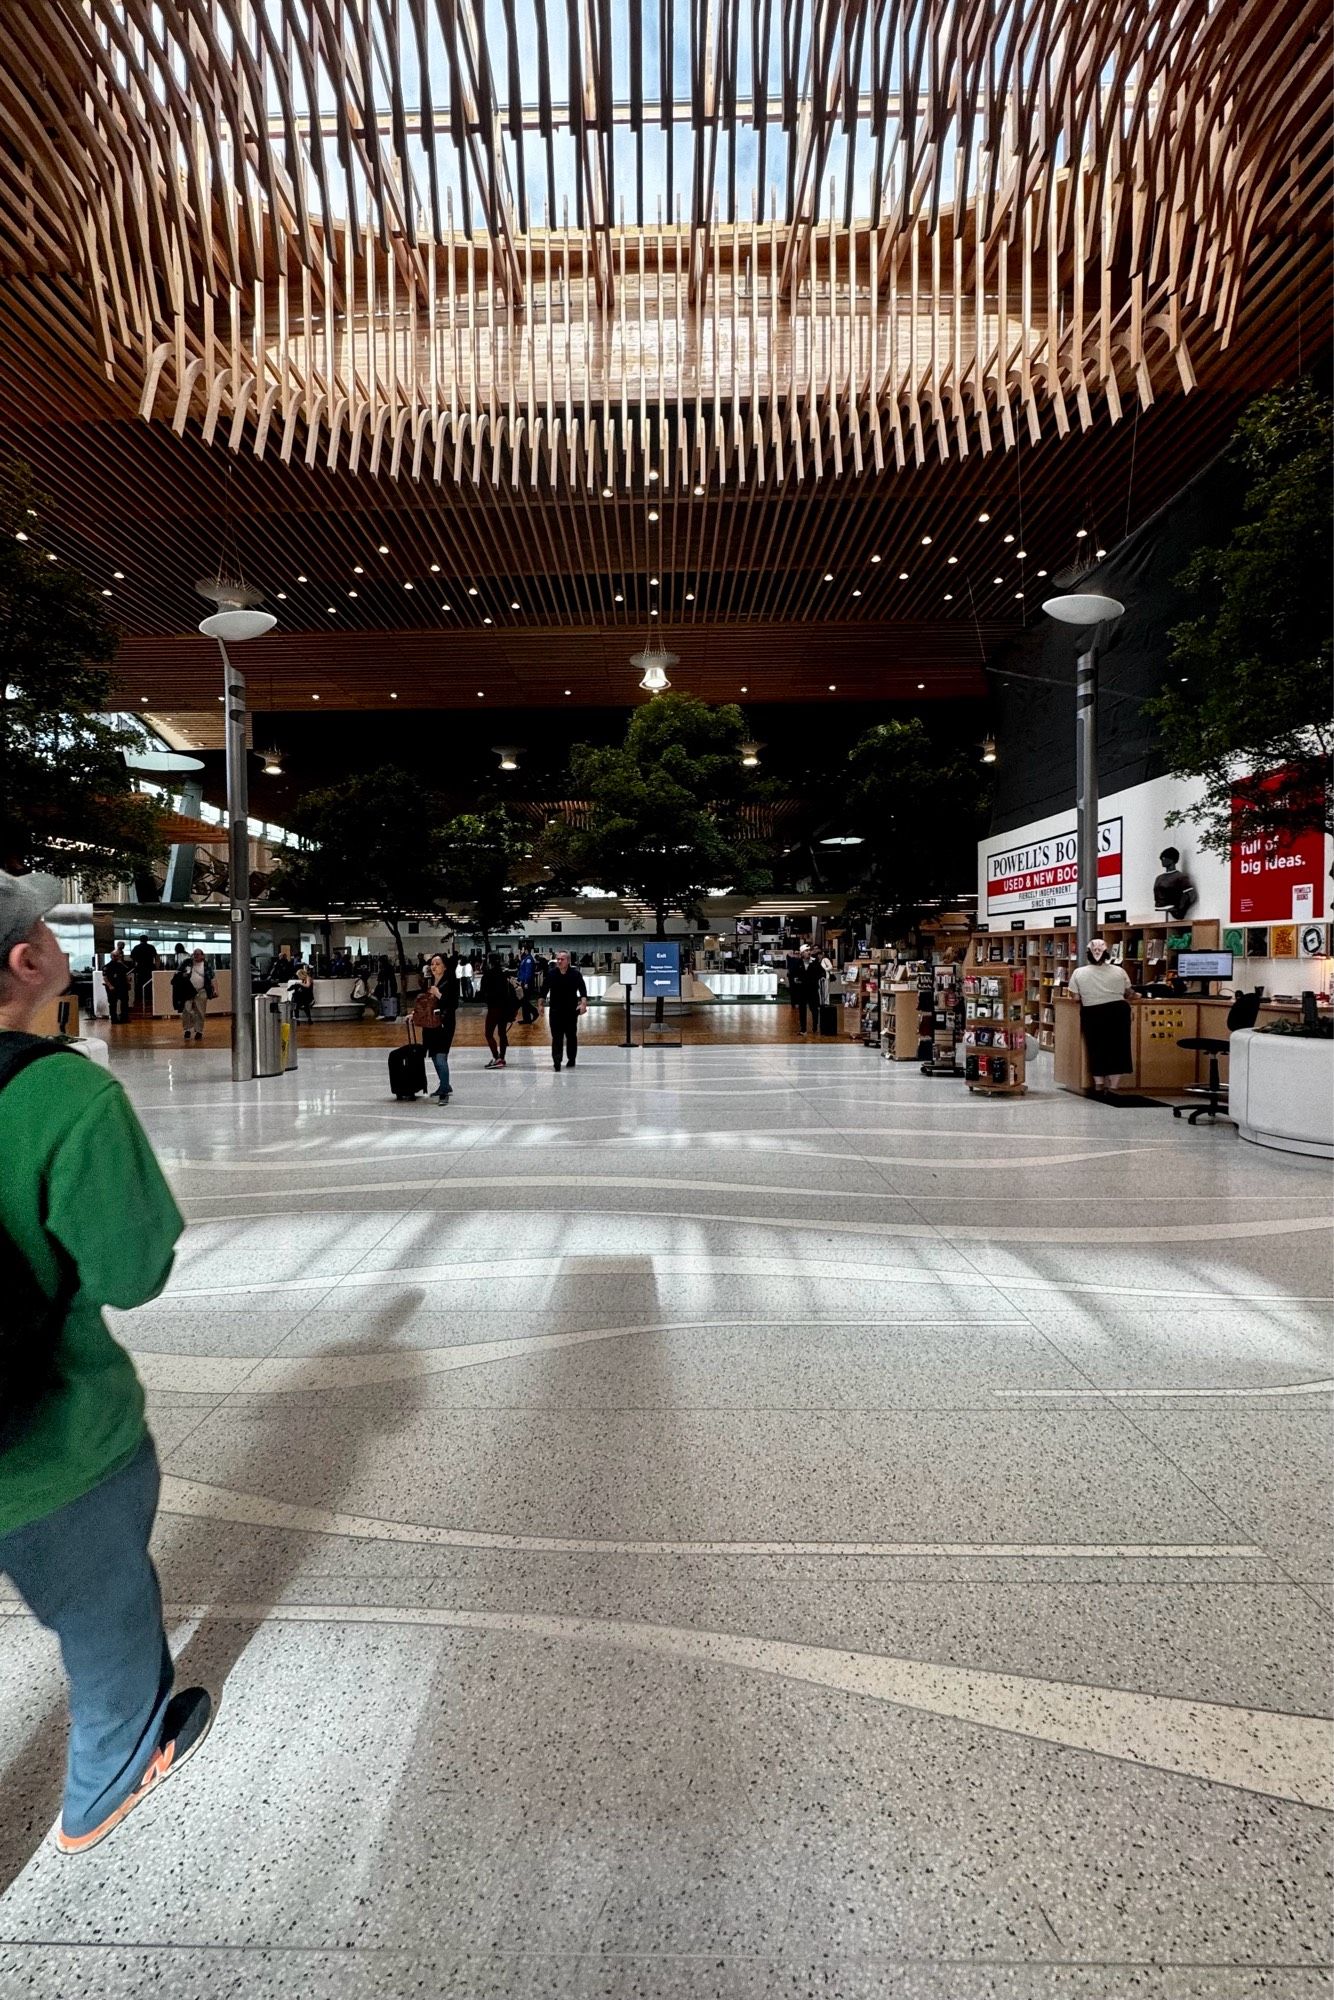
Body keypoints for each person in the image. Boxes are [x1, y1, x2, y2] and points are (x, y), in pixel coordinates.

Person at [0, 870, 212, 1856]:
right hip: (44, 1444)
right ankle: (106, 1783)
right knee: (102, 1611)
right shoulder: (60, 1094)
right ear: (25, 958)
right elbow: (133, 1268)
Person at [1067, 938, 1134, 1096]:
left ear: (1088, 955)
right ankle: (1113, 1086)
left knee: (1096, 1047)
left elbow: (1076, 998)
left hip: (1093, 1012)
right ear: (1106, 954)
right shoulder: (1119, 971)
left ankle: (1099, 1084)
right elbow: (1129, 992)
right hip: (1118, 1011)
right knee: (1119, 1048)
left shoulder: (1079, 973)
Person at [420, 950, 459, 1101]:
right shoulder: (429, 982)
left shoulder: (451, 982)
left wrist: (439, 995)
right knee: (435, 1056)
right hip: (431, 1024)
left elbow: (453, 1004)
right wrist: (415, 1014)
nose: (434, 967)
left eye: (437, 964)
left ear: (445, 967)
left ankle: (444, 1090)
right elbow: (425, 1004)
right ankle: (445, 1084)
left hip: (444, 1024)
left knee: (441, 1056)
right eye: (432, 964)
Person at [541, 948, 588, 1070]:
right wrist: (540, 1004)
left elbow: (582, 990)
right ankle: (557, 1061)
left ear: (568, 961)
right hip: (555, 1011)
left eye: (562, 959)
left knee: (571, 1036)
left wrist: (583, 1004)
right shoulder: (551, 974)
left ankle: (571, 1058)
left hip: (571, 1011)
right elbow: (544, 990)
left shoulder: (575, 974)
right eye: (558, 959)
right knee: (557, 1037)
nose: (559, 961)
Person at [478, 954, 517, 1068]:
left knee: (489, 1033)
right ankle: (502, 1057)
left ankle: (497, 1057)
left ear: (489, 962)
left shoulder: (488, 975)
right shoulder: (504, 974)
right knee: (502, 1033)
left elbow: (482, 993)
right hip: (505, 1008)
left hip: (494, 1008)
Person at [171, 949, 214, 1042]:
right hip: (188, 991)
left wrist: (215, 989)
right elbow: (177, 973)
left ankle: (199, 1031)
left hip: (202, 990)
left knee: (200, 1011)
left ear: (203, 956)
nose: (196, 956)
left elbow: (212, 977)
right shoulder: (187, 962)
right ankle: (187, 1029)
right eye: (194, 954)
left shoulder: (206, 965)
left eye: (198, 954)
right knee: (187, 1009)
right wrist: (183, 975)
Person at [102, 944, 132, 1026]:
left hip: (122, 986)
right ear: (111, 956)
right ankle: (114, 1019)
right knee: (112, 1003)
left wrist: (128, 983)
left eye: (118, 956)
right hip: (113, 987)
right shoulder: (107, 966)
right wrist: (110, 986)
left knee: (124, 1003)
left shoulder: (122, 966)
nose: (117, 957)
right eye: (115, 956)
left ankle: (124, 1017)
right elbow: (105, 977)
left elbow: (125, 975)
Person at [129, 936, 157, 1011]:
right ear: (147, 940)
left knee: (140, 983)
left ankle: (140, 997)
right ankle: (149, 997)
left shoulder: (136, 948)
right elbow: (155, 957)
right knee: (150, 983)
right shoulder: (151, 947)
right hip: (150, 967)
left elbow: (132, 958)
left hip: (140, 968)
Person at [516, 944, 538, 1023]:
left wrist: (526, 982)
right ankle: (527, 1019)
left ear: (526, 950)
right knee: (524, 1001)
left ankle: (535, 1012)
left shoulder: (528, 959)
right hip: (522, 982)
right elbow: (522, 971)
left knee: (524, 1000)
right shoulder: (524, 959)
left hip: (527, 983)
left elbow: (528, 972)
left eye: (521, 950)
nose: (521, 951)